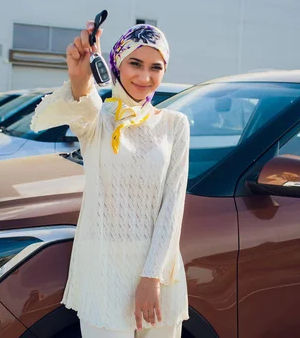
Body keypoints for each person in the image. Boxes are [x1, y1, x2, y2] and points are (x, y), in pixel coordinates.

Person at [30, 20, 190, 337]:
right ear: (115, 62)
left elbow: (173, 205)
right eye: (135, 63)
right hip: (104, 274)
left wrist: (151, 277)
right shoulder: (99, 120)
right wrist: (79, 78)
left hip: (157, 277)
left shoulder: (175, 124)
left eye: (155, 67)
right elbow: (82, 104)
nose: (145, 77)